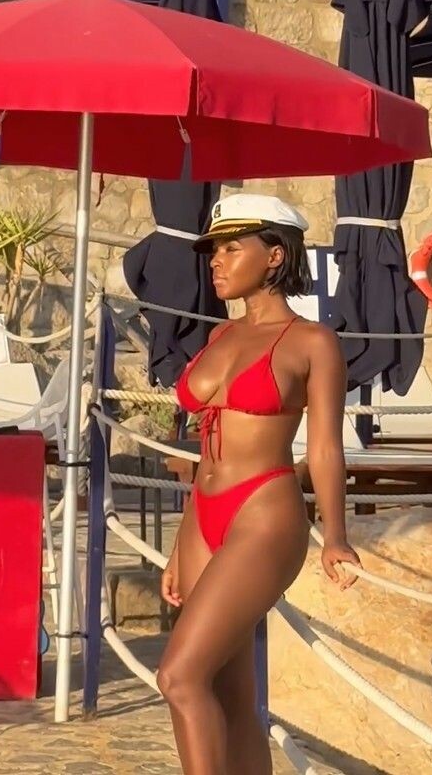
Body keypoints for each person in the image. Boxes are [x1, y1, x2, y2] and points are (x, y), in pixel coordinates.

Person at [157, 192, 361, 775]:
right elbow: (207, 450)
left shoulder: (312, 341)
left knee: (178, 677)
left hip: (264, 514)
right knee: (229, 692)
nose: (216, 261)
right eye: (214, 250)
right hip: (203, 515)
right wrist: (180, 546)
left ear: (275, 255)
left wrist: (336, 536)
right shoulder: (220, 336)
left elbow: (324, 447)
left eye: (231, 248)